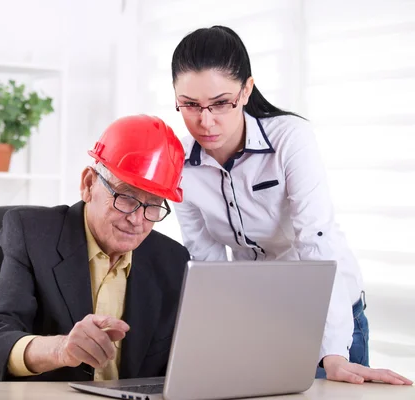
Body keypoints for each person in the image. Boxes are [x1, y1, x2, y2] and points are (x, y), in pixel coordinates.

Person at [170, 25, 412, 386]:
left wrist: (332, 351)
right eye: (189, 105)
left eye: (221, 103)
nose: (205, 121)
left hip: (329, 311)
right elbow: (207, 259)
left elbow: (315, 238)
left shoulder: (290, 139)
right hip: (262, 316)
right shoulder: (180, 164)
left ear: (247, 90)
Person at [0, 114, 190, 382]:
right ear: (88, 184)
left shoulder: (173, 261)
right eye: (126, 197)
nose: (137, 219)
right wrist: (60, 349)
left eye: (153, 205)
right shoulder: (32, 234)